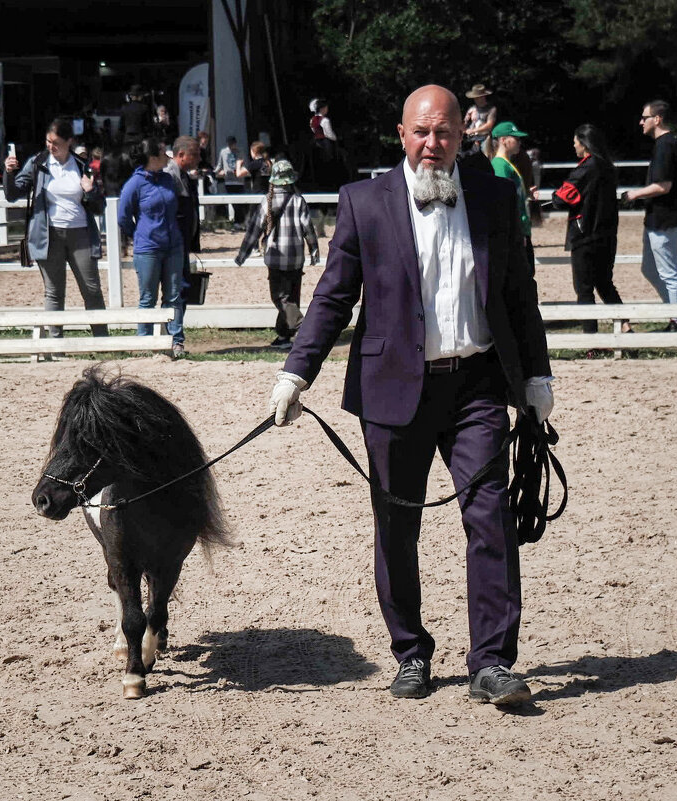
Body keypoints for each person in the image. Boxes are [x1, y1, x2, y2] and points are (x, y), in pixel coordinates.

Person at [268, 85, 553, 705]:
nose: (433, 144)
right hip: (393, 389)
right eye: (422, 132)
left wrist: (537, 377)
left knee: (491, 518)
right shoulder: (364, 202)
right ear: (402, 135)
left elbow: (519, 295)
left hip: (478, 385)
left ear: (463, 136)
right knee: (397, 527)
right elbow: (332, 296)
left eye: (445, 132)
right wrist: (297, 373)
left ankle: (492, 663)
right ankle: (411, 653)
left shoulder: (497, 197)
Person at [4, 118, 108, 338]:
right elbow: (13, 194)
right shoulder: (37, 163)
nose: (51, 146)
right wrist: (9, 173)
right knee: (54, 292)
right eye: (48, 141)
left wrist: (90, 191)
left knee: (91, 290)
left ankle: (101, 338)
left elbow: (99, 207)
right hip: (49, 234)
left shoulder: (81, 165)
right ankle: (55, 343)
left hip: (80, 233)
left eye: (56, 142)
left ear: (69, 141)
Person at [551, 124, 631, 336]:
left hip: (585, 236)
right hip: (607, 235)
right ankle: (624, 324)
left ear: (584, 143)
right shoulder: (607, 166)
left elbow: (561, 199)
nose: (574, 144)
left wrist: (552, 197)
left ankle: (591, 340)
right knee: (605, 283)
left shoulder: (586, 168)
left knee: (584, 289)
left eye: (576, 141)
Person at [235, 159, 319, 350]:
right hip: (297, 257)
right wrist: (314, 251)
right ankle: (284, 336)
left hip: (275, 257)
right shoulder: (299, 201)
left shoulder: (267, 201)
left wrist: (243, 254)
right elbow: (309, 229)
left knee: (280, 297)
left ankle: (304, 328)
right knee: (291, 297)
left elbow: (254, 230)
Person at [624, 99, 677, 331]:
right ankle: (676, 313)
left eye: (645, 117)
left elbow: (663, 186)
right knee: (650, 269)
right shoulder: (664, 144)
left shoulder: (665, 146)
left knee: (669, 273)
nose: (641, 121)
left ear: (657, 119)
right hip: (657, 218)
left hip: (665, 219)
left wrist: (634, 194)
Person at [118, 137, 186, 358]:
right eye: (163, 153)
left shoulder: (168, 179)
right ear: (151, 158)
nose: (167, 156)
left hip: (173, 245)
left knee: (174, 296)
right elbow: (123, 216)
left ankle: (176, 341)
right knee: (148, 297)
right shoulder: (134, 184)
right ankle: (144, 341)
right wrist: (139, 234)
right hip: (148, 248)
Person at [165, 135, 202, 356]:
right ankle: (173, 339)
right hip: (174, 245)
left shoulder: (184, 176)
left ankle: (173, 337)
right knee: (175, 291)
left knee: (182, 289)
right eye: (194, 155)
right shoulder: (170, 177)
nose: (198, 158)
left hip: (183, 245)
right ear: (181, 155)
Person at [490, 121, 537, 270]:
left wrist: (527, 193)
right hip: (516, 231)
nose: (519, 142)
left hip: (520, 229)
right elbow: (504, 202)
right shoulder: (500, 166)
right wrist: (516, 232)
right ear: (503, 140)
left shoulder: (506, 164)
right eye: (516, 138)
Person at [214, 135, 245, 229]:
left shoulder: (240, 151)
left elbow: (243, 164)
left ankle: (239, 222)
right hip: (228, 180)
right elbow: (220, 164)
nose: (231, 146)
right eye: (229, 144)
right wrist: (215, 172)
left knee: (239, 203)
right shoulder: (223, 152)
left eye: (232, 144)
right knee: (232, 202)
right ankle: (236, 222)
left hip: (239, 180)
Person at [463, 83, 497, 156]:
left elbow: (489, 125)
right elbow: (464, 124)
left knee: (486, 157)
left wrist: (473, 130)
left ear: (483, 97)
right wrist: (467, 118)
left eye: (477, 97)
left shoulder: (491, 109)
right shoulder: (471, 108)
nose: (475, 99)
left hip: (484, 139)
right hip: (471, 139)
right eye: (475, 97)